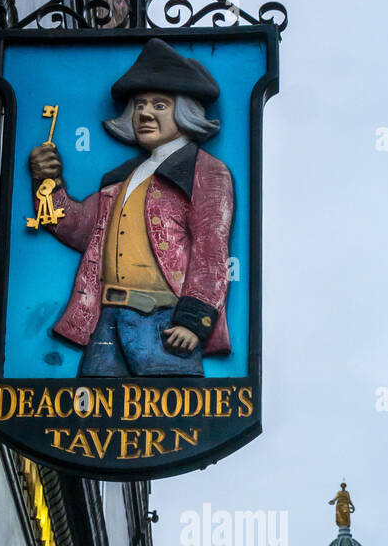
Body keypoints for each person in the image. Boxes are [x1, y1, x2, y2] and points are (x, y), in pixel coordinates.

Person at [28, 38, 234, 377]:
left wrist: (193, 321)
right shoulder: (122, 177)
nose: (146, 113)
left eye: (159, 105)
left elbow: (211, 252)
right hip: (106, 321)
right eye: (139, 105)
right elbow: (79, 228)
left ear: (184, 111)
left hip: (165, 325)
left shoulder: (206, 171)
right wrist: (47, 183)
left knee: (172, 417)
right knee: (93, 419)